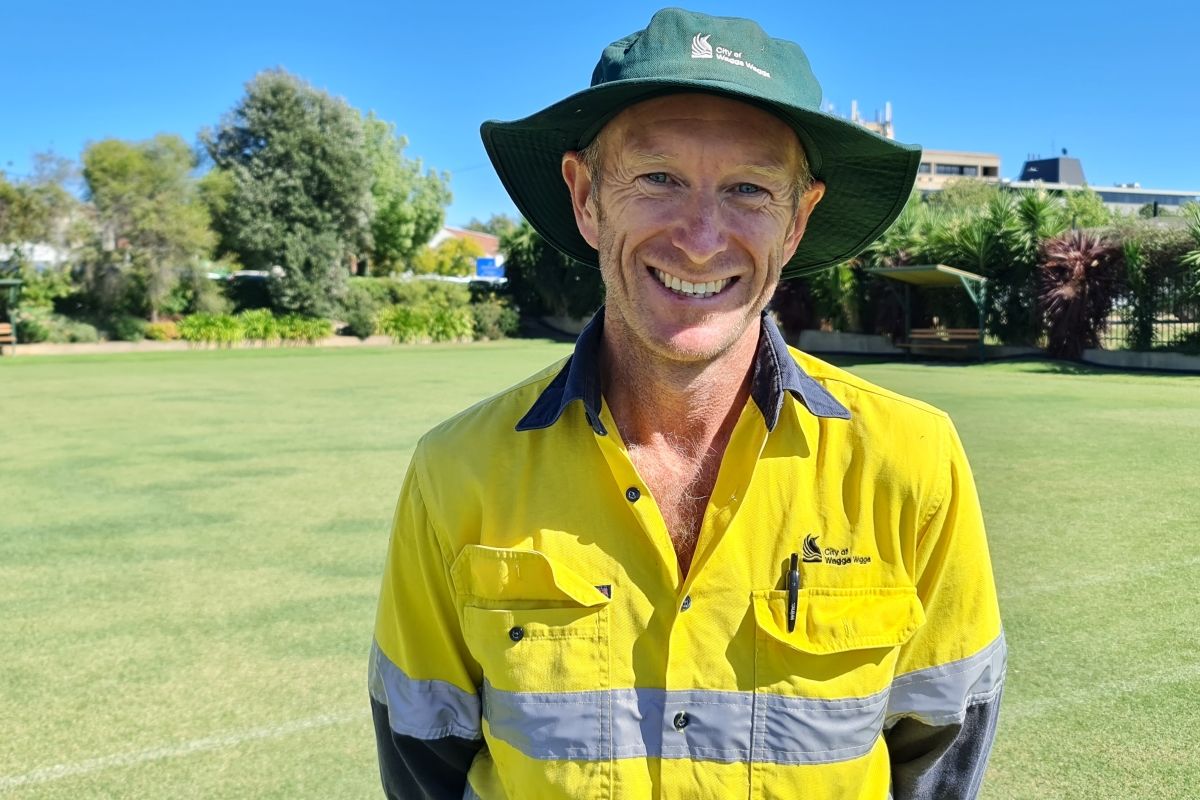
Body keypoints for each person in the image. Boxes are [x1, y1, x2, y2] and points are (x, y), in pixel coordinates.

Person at [369, 8, 1005, 799]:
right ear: (587, 197)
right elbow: (423, 765)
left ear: (797, 220)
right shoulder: (455, 472)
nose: (702, 238)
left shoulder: (913, 462)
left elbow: (940, 763)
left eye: (748, 188)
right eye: (659, 177)